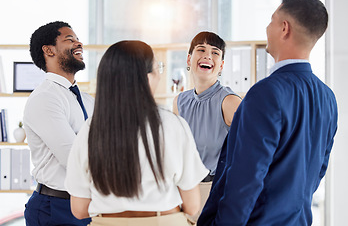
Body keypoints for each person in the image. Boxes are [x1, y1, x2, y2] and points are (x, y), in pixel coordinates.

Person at [198, 0, 338, 226]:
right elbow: (317, 172)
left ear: (284, 28)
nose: (267, 27)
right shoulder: (328, 97)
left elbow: (245, 179)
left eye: (271, 20)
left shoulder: (266, 92)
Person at [65, 40, 209, 226]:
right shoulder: (172, 125)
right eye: (158, 69)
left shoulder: (90, 130)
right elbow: (192, 206)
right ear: (146, 77)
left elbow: (79, 209)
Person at [24, 21, 94, 226]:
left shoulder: (87, 99)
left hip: (86, 205)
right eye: (69, 39)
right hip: (55, 208)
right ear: (48, 50)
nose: (79, 43)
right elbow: (74, 159)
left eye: (78, 38)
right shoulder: (45, 98)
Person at [172, 31, 242, 219]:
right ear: (189, 59)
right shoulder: (179, 101)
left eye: (215, 53)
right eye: (201, 50)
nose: (207, 56)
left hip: (214, 192)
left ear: (221, 65)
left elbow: (250, 154)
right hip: (181, 191)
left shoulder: (230, 102)